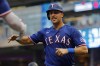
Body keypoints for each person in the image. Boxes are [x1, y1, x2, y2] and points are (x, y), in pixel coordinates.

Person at [8, 3, 88, 66]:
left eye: (56, 12)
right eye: (51, 13)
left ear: (62, 14)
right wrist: (17, 38)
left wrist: (67, 50)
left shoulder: (72, 30)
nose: (53, 15)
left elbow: (84, 49)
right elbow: (28, 40)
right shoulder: (44, 32)